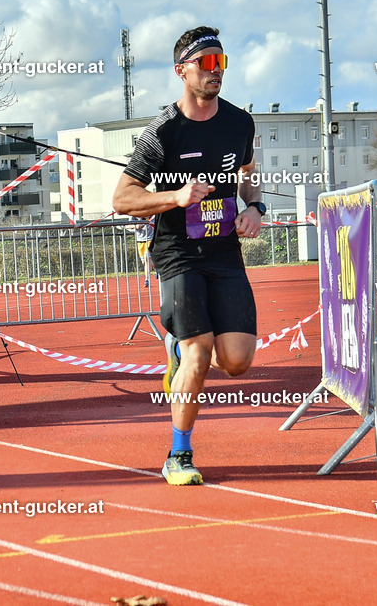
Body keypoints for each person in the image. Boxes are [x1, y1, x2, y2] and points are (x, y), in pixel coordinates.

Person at [112, 26, 265, 486]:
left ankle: (177, 347)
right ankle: (178, 455)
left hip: (224, 251)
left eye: (222, 62)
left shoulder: (239, 123)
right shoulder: (163, 131)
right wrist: (175, 197)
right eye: (207, 63)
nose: (216, 71)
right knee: (198, 354)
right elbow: (123, 198)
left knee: (236, 361)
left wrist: (254, 208)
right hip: (178, 252)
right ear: (182, 71)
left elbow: (249, 173)